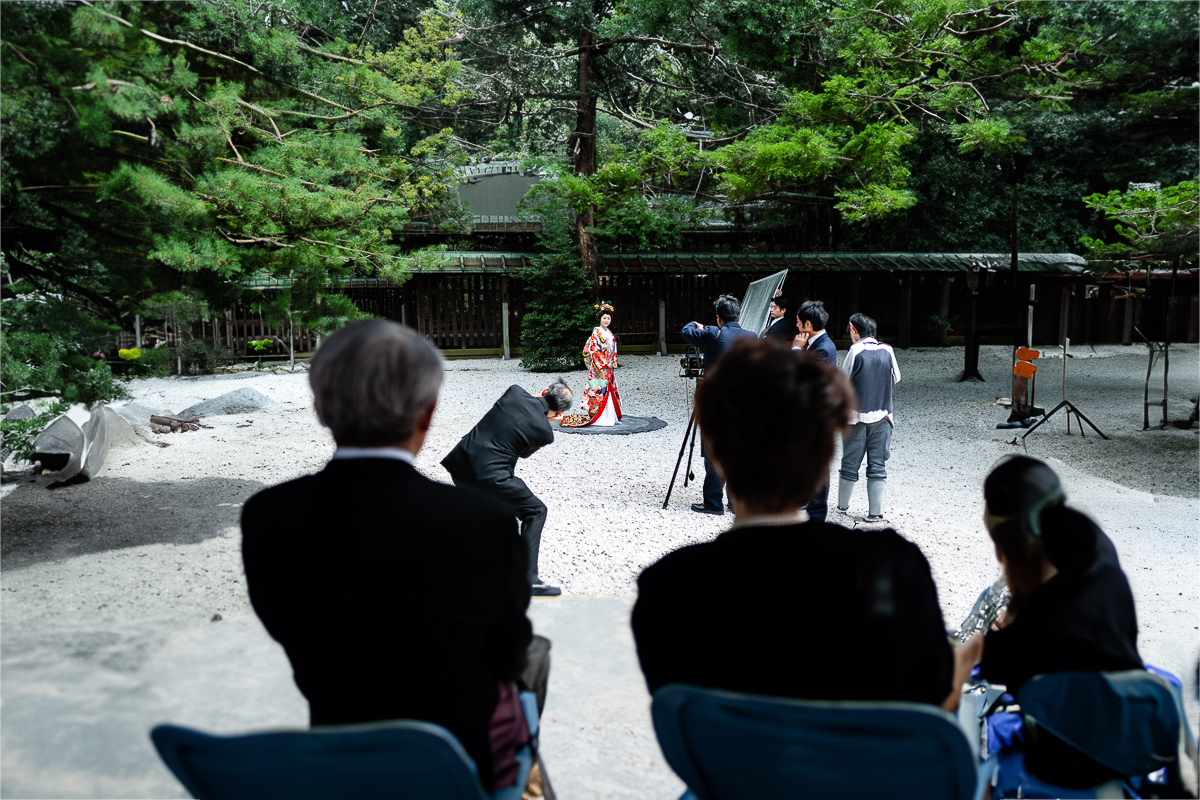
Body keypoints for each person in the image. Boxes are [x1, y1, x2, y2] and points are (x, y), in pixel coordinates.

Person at [241, 320, 549, 795]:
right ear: (428, 412)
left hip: (343, 750)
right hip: (457, 764)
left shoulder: (269, 516)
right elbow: (509, 648)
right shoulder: (484, 521)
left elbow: (285, 624)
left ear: (320, 408)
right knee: (534, 655)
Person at [632, 338, 978, 710]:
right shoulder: (891, 568)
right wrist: (968, 656)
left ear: (714, 450)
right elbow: (933, 704)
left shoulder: (666, 589)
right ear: (827, 454)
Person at [977, 455, 1142, 692]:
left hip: (1083, 708)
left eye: (1000, 547)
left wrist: (979, 647)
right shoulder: (1091, 539)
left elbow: (1002, 663)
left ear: (1015, 546)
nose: (998, 558)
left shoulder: (1044, 624)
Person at [442, 379, 573, 597]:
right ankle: (527, 580)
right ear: (560, 413)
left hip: (460, 463)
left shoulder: (514, 392)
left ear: (544, 391)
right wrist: (547, 419)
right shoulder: (545, 432)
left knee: (491, 514)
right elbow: (524, 452)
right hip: (490, 476)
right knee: (536, 511)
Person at [680, 294, 756, 515]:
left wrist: (698, 325)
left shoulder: (713, 333)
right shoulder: (751, 337)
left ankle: (713, 503)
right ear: (739, 316)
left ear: (718, 317)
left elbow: (685, 331)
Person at [836, 312, 901, 523]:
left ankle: (842, 507)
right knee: (877, 465)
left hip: (855, 418)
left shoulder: (855, 350)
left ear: (854, 329)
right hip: (883, 417)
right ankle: (875, 512)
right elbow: (896, 378)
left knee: (849, 463)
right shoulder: (888, 350)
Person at [794, 299, 837, 522]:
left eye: (798, 321)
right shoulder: (816, 344)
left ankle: (818, 510)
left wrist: (795, 350)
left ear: (808, 324)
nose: (796, 325)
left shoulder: (823, 349)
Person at [561, 302, 621, 428]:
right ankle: (599, 417)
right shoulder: (596, 333)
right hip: (599, 367)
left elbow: (613, 349)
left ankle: (609, 416)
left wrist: (614, 361)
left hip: (608, 366)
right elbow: (594, 350)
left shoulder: (609, 333)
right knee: (599, 390)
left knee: (608, 389)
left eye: (608, 318)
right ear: (599, 318)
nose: (606, 320)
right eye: (604, 318)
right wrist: (606, 363)